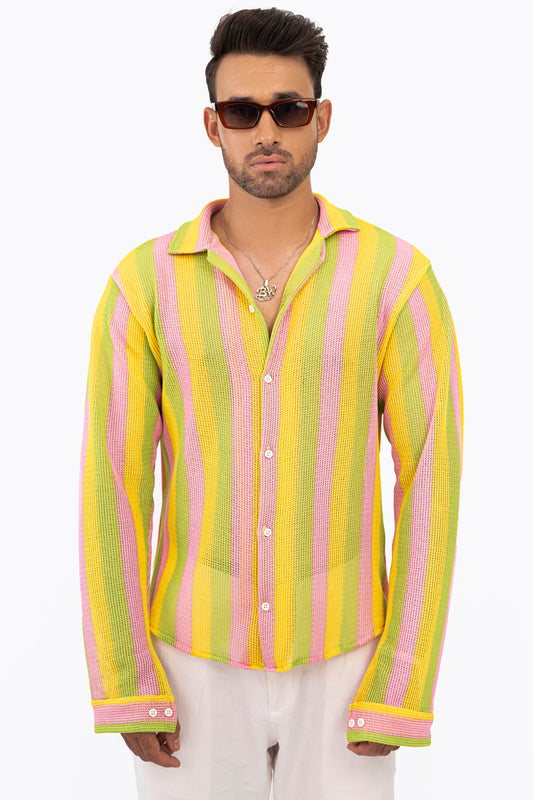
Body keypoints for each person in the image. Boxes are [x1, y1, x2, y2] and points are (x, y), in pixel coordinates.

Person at [78, 7, 463, 799]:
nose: (265, 131)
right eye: (241, 111)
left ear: (321, 119)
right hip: (190, 659)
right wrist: (125, 679)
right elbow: (111, 485)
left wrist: (401, 681)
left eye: (287, 109)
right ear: (211, 125)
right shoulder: (142, 284)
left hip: (347, 654)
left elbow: (431, 481)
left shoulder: (396, 279)